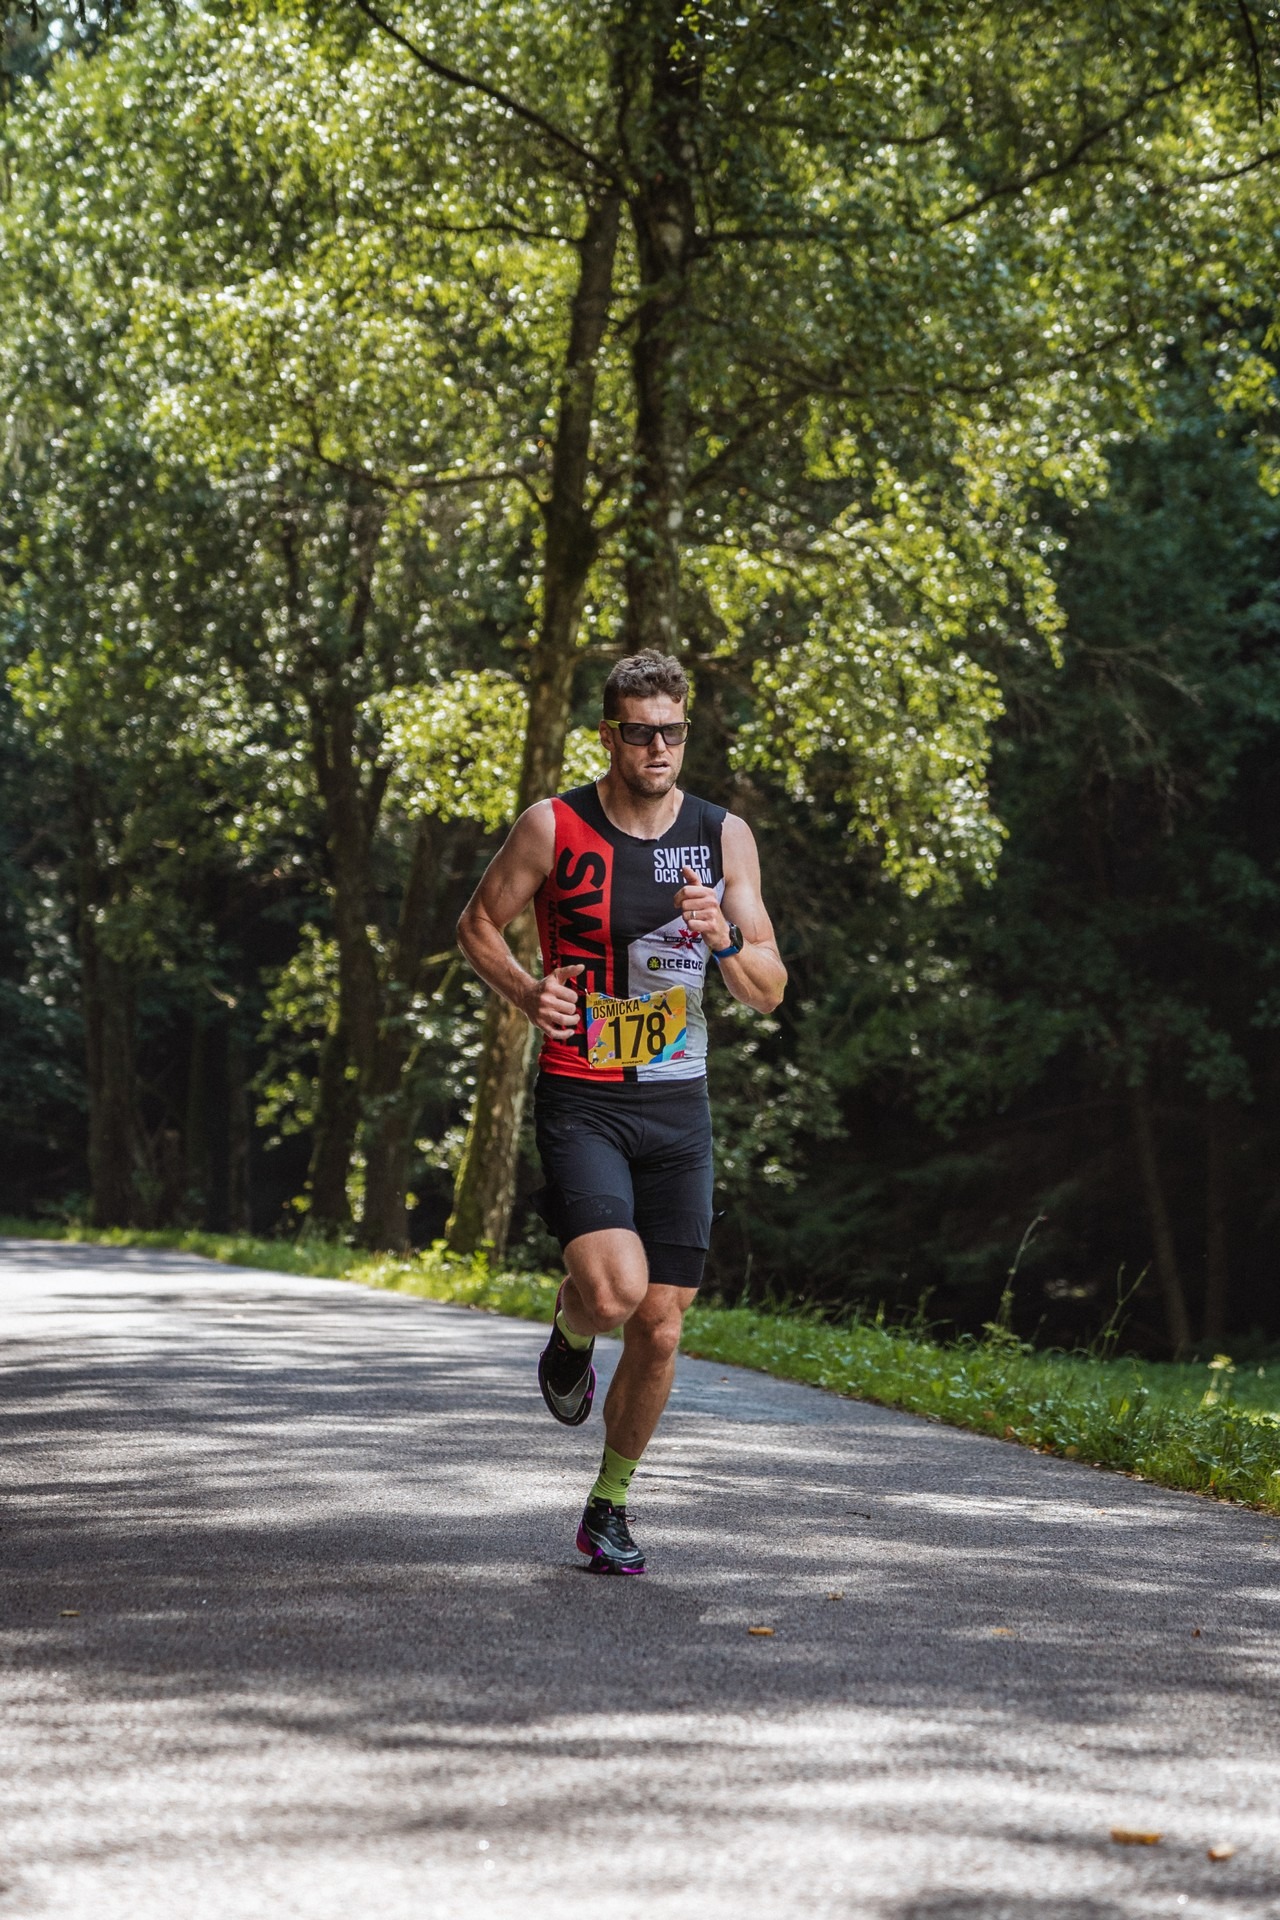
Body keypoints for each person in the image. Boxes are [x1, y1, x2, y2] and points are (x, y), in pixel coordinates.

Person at [456, 649, 786, 1572]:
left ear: (686, 732)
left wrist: (726, 939)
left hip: (679, 1108)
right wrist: (527, 992)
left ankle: (608, 1505)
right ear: (609, 736)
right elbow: (477, 923)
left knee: (663, 1325)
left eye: (672, 732)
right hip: (584, 1095)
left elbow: (768, 990)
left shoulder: (722, 836)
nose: (658, 749)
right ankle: (571, 1333)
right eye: (640, 734)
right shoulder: (553, 825)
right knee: (612, 1294)